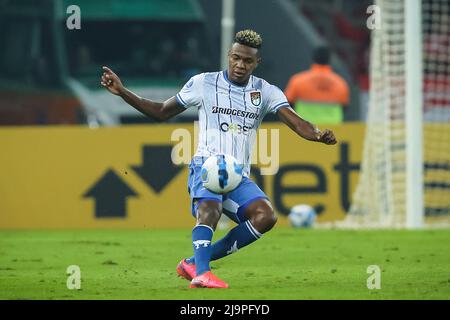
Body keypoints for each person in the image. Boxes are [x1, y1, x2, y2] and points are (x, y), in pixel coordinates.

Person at [100, 30, 337, 288]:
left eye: (247, 61)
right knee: (209, 210)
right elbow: (161, 112)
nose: (240, 65)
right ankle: (202, 273)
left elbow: (296, 122)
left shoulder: (265, 92)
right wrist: (123, 92)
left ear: (256, 63)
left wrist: (317, 134)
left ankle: (194, 262)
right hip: (207, 165)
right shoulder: (203, 83)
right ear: (229, 55)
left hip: (237, 175)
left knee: (265, 217)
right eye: (236, 58)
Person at [284, 46, 350, 124]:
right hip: (332, 129)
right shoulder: (341, 83)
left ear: (313, 58)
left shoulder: (298, 81)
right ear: (329, 59)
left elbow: (286, 104)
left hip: (305, 128)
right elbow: (345, 106)